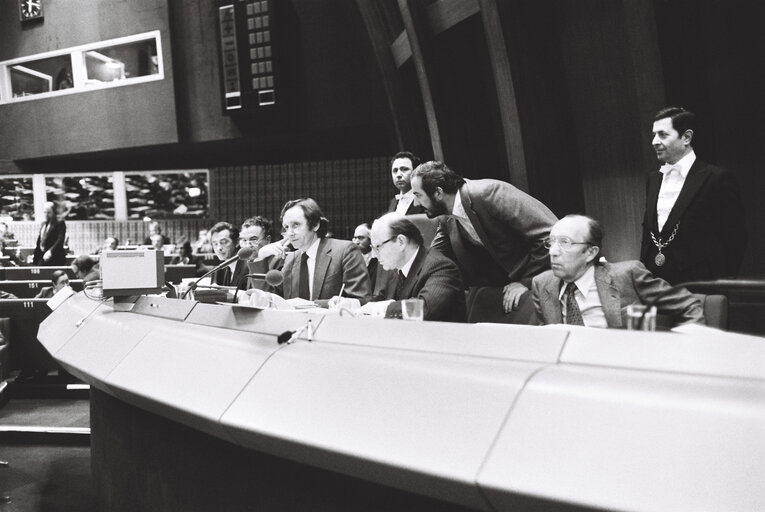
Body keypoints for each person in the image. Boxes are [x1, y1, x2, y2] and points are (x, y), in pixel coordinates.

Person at [410, 161, 557, 322]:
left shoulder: (489, 193)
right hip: (496, 291)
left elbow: (549, 235)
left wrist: (526, 281)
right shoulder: (446, 218)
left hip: (538, 285)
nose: (416, 203)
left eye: (418, 195)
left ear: (438, 193)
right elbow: (434, 258)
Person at [532, 214, 704, 328]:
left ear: (590, 253)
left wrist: (690, 348)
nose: (552, 252)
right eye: (551, 242)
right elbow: (546, 339)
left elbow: (688, 305)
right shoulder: (542, 284)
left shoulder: (627, 275)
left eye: (565, 242)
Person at [641, 106, 747, 285]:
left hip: (702, 283)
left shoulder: (717, 178)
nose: (654, 141)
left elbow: (735, 236)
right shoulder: (653, 179)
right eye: (653, 135)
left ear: (686, 137)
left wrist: (722, 279)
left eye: (663, 134)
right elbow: (649, 233)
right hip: (656, 282)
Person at [259, 198, 370, 304]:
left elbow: (361, 300)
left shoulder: (345, 251)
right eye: (286, 227)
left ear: (315, 225)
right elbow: (268, 300)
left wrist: (316, 305)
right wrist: (261, 258)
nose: (290, 233)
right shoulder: (290, 260)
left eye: (296, 225)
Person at [363, 213, 466, 321]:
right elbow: (382, 299)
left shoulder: (441, 267)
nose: (374, 255)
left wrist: (382, 308)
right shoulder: (397, 268)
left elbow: (423, 308)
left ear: (401, 242)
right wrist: (353, 304)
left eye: (377, 247)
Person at [209, 221, 248, 287]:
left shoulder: (248, 268)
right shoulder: (217, 271)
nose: (219, 248)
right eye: (215, 244)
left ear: (237, 242)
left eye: (224, 242)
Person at [33, 202, 67, 266]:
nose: (46, 214)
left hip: (55, 257)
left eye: (48, 212)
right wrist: (35, 257)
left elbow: (60, 239)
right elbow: (39, 241)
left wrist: (50, 251)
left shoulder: (59, 223)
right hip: (42, 256)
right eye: (45, 212)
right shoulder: (43, 224)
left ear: (54, 212)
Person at [352, 223, 380, 292]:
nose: (356, 242)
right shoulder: (351, 259)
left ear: (370, 239)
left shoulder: (379, 259)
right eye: (355, 238)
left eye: (360, 238)